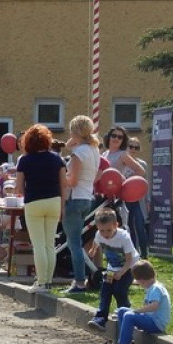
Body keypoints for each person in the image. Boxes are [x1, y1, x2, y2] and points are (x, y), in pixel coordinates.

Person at [15, 123, 66, 291]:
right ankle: (48, 281)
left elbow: (19, 188)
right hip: (54, 202)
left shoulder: (24, 160)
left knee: (38, 245)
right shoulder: (57, 158)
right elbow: (64, 185)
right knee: (50, 244)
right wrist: (63, 207)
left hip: (34, 202)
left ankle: (42, 282)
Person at [62, 115, 101, 293]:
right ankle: (84, 277)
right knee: (76, 242)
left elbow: (73, 181)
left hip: (75, 198)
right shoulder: (93, 149)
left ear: (75, 131)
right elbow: (68, 144)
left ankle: (79, 282)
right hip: (87, 198)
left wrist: (60, 179)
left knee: (74, 244)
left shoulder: (79, 153)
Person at [104, 259, 172, 344]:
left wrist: (137, 311)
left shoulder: (155, 289)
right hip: (150, 319)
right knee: (122, 310)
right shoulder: (153, 287)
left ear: (142, 280)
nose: (139, 284)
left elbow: (154, 306)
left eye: (138, 282)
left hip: (156, 323)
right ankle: (128, 342)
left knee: (129, 316)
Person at [87, 208, 138, 332]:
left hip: (129, 267)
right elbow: (96, 242)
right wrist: (93, 250)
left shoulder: (123, 237)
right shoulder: (99, 234)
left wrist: (121, 272)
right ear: (97, 228)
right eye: (102, 230)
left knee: (119, 290)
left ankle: (124, 312)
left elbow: (130, 259)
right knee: (105, 290)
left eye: (109, 230)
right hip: (112, 267)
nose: (105, 234)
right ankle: (100, 318)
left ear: (116, 225)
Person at [103, 124, 148, 256]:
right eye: (114, 136)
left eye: (120, 137)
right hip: (105, 197)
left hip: (117, 199)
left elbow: (141, 171)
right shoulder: (104, 154)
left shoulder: (122, 154)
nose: (116, 139)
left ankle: (131, 256)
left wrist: (125, 183)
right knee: (106, 228)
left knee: (120, 228)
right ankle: (114, 257)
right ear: (109, 137)